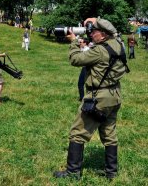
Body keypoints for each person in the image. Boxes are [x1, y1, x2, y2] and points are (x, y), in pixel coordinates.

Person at [53, 17, 129, 181]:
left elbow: (75, 60)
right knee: (109, 133)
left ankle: (72, 173)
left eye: (93, 31)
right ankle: (111, 173)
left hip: (99, 97)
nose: (90, 33)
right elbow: (112, 30)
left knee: (77, 133)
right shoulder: (119, 44)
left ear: (103, 34)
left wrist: (74, 42)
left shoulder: (99, 51)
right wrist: (97, 19)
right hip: (114, 95)